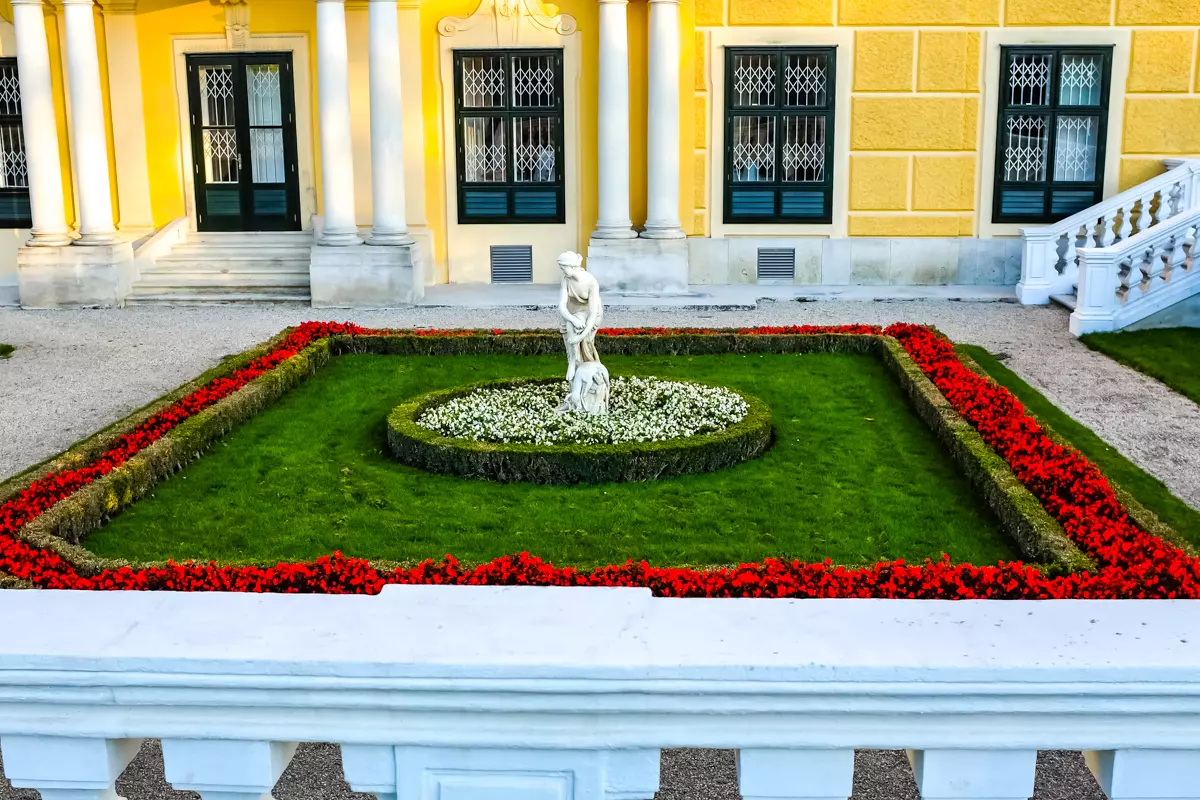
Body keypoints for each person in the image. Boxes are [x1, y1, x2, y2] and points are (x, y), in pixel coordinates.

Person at [556, 250, 602, 382]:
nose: (562, 271)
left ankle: (582, 363)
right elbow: (562, 306)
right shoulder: (566, 280)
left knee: (586, 343)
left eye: (563, 268)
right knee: (570, 324)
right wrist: (573, 320)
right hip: (573, 311)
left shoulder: (591, 282)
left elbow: (593, 314)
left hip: (591, 312)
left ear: (572, 266)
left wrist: (580, 337)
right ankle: (573, 361)